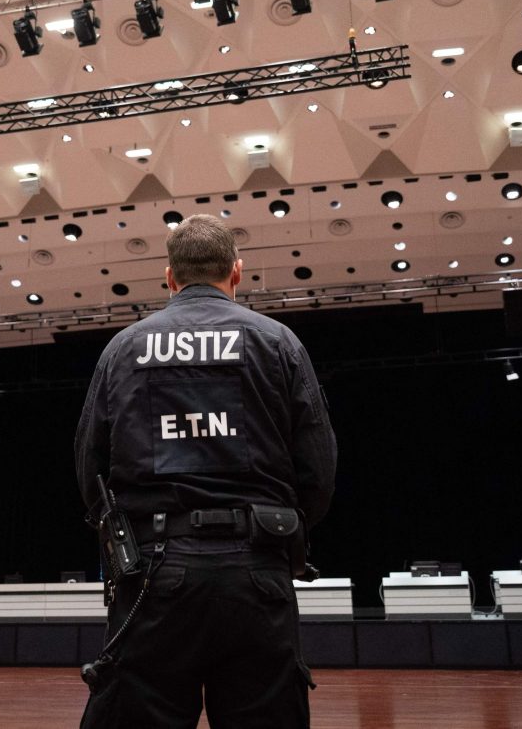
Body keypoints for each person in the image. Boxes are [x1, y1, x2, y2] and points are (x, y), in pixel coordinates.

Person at [74, 214, 338, 728]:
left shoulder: (123, 349)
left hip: (150, 575)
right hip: (258, 573)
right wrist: (279, 531)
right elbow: (319, 467)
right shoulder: (277, 342)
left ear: (170, 278)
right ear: (236, 273)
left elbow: (90, 468)